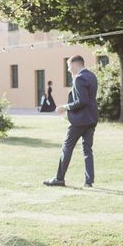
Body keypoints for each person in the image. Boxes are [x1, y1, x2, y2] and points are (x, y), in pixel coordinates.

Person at [43, 55, 98, 188]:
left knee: (67, 147)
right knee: (87, 150)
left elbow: (82, 101)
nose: (68, 69)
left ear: (74, 64)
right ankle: (88, 181)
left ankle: (59, 179)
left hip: (80, 120)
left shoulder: (79, 78)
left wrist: (64, 107)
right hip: (91, 118)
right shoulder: (92, 76)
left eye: (68, 66)